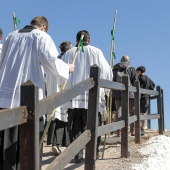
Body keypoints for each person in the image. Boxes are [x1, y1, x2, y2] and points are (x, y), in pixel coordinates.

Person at [0, 16, 75, 170]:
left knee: (6, 144)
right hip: (29, 99)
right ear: (43, 27)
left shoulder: (10, 36)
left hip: (4, 97)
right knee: (28, 145)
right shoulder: (41, 36)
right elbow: (51, 61)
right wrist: (67, 68)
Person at [61, 30, 113, 163]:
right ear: (88, 40)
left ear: (77, 40)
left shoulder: (68, 53)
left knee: (76, 126)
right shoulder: (96, 52)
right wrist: (106, 91)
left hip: (74, 98)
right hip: (93, 98)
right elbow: (106, 72)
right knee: (93, 125)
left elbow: (61, 74)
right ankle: (92, 153)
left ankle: (77, 154)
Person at [46, 41, 73, 155]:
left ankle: (55, 143)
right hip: (61, 92)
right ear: (69, 49)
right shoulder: (66, 61)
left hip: (51, 92)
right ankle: (56, 144)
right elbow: (64, 78)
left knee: (54, 118)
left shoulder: (54, 61)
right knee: (61, 119)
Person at [112, 55, 137, 136]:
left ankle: (119, 130)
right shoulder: (132, 69)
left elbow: (112, 79)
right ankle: (132, 131)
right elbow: (135, 81)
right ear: (129, 61)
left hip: (117, 92)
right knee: (131, 111)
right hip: (130, 93)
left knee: (119, 109)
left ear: (120, 60)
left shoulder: (115, 68)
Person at [136, 66, 155, 136]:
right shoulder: (148, 78)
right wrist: (149, 90)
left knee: (137, 113)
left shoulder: (138, 78)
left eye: (137, 71)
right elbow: (153, 85)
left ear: (139, 71)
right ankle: (142, 129)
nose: (136, 73)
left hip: (139, 97)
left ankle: (138, 128)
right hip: (146, 97)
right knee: (144, 113)